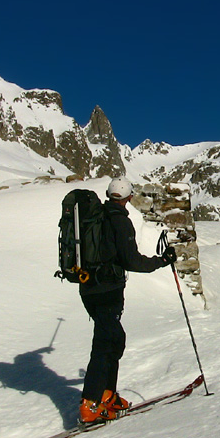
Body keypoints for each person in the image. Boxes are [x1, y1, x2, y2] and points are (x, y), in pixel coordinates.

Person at [78, 177, 177, 424]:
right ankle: (90, 404)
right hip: (107, 290)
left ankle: (106, 396)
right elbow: (132, 261)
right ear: (129, 197)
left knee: (113, 339)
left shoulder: (96, 217)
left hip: (88, 288)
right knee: (105, 343)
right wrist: (161, 261)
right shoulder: (120, 222)